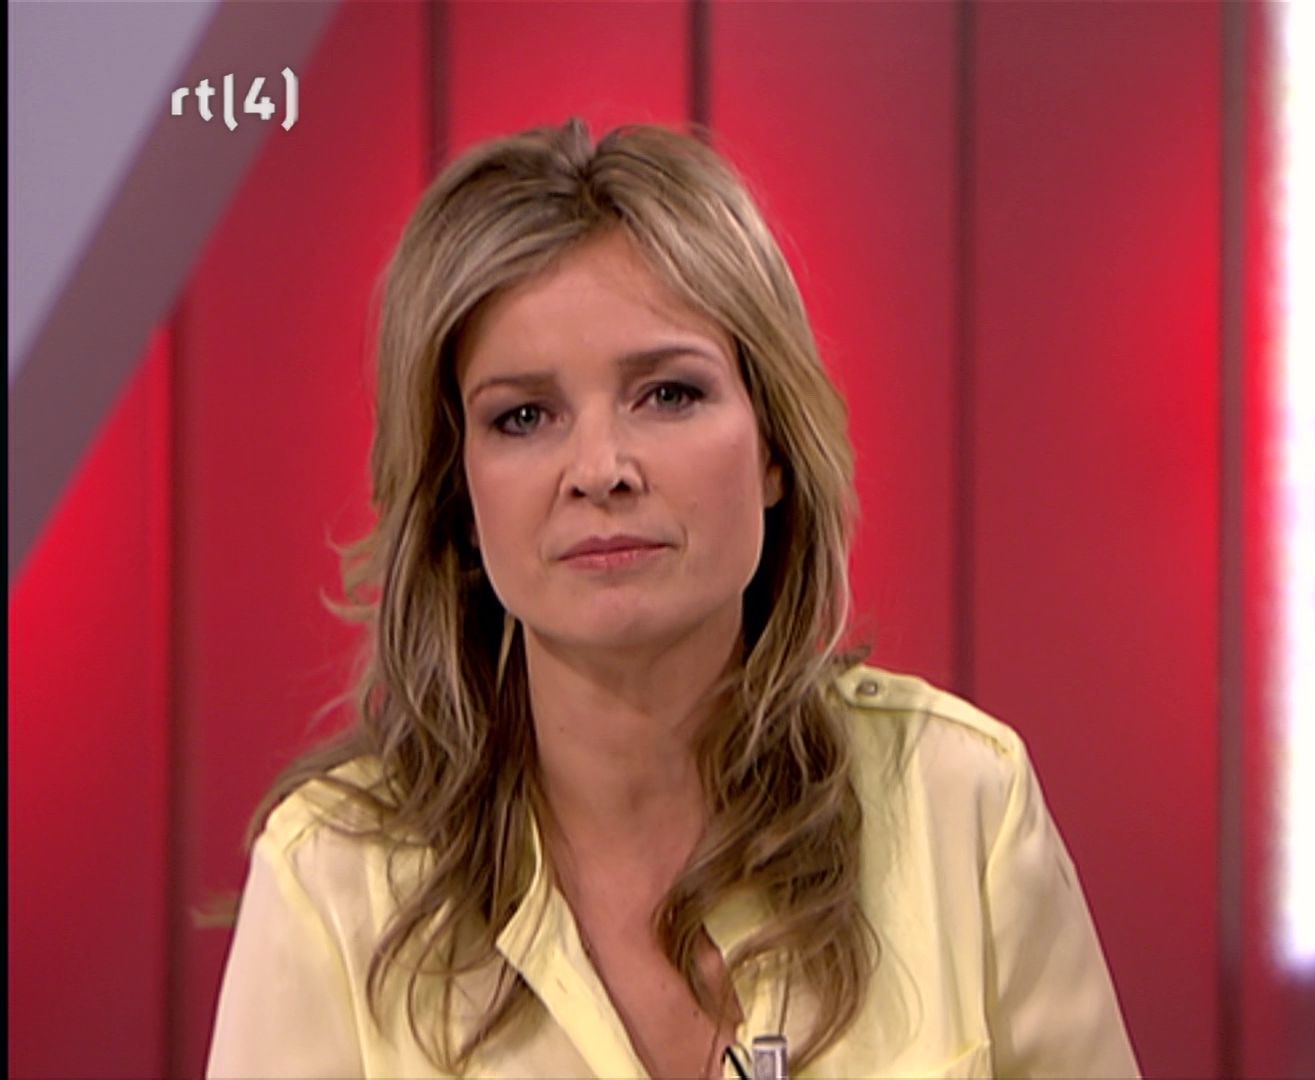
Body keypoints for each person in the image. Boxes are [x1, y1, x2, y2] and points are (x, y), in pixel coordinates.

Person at [206, 118, 1139, 1079]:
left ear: (774, 449)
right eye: (523, 416)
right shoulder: (332, 880)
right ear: (460, 496)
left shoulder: (960, 803)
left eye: (668, 395)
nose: (600, 469)